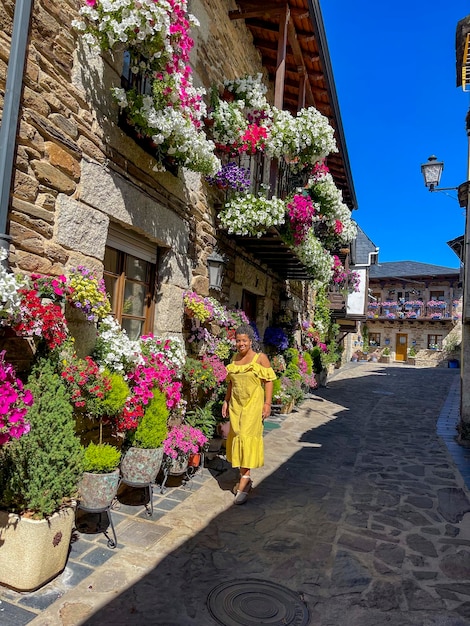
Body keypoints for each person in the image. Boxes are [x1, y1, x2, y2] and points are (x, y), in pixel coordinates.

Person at [222, 324, 276, 504]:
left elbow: (268, 381)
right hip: (236, 406)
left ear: (250, 341)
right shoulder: (234, 359)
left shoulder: (260, 359)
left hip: (253, 405)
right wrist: (226, 400)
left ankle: (245, 479)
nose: (241, 344)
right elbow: (230, 382)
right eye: (238, 341)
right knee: (237, 436)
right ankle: (244, 475)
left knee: (246, 437)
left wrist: (267, 403)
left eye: (244, 340)